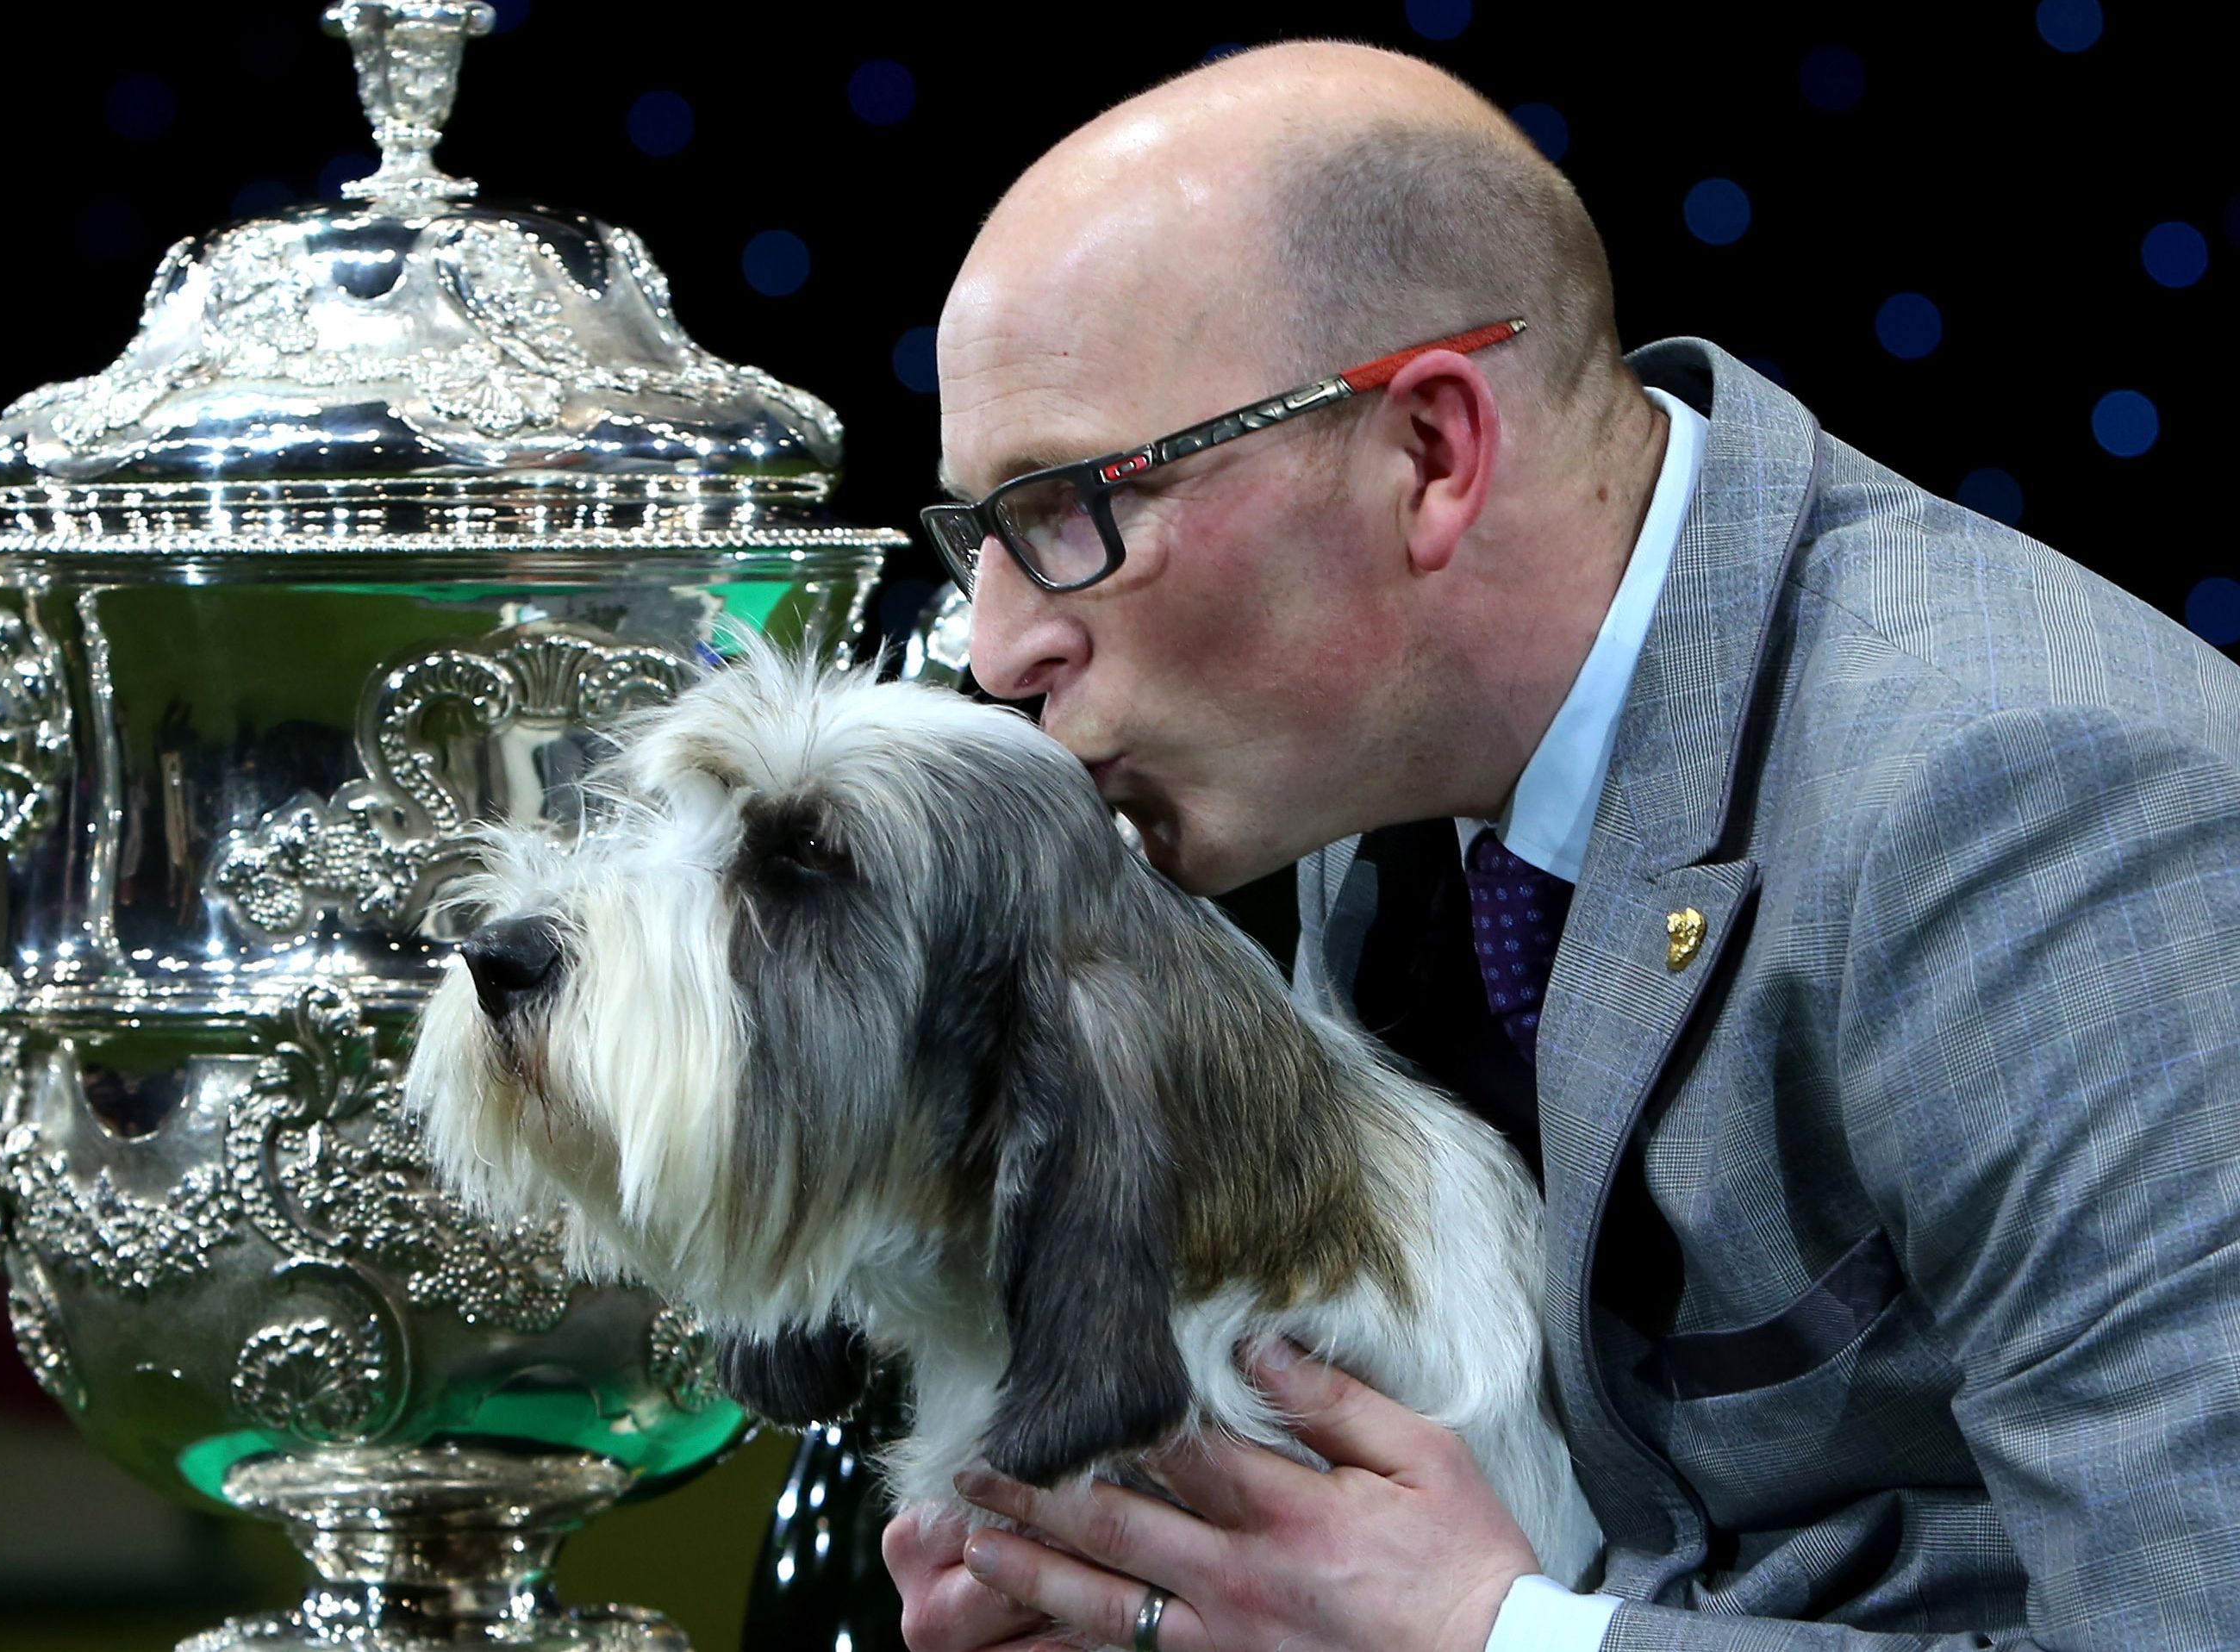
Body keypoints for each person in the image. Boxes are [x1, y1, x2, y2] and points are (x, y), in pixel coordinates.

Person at [887, 37, 2240, 1652]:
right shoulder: (1376, 777)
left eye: (1071, 511)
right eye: (981, 533)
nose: (998, 648)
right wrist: (1146, 1580)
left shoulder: (2021, 800)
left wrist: (1498, 1636)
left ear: (1431, 458)